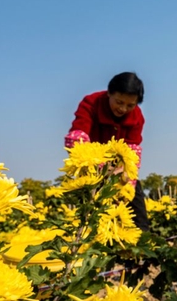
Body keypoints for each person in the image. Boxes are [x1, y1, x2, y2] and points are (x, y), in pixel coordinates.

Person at [64, 71, 150, 231]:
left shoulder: (137, 116)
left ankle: (140, 252)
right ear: (109, 93)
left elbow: (133, 151)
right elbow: (77, 137)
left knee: (138, 218)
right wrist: (99, 165)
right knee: (91, 220)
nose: (123, 109)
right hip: (91, 169)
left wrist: (125, 176)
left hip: (120, 171)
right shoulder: (91, 103)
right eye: (119, 102)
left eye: (130, 105)